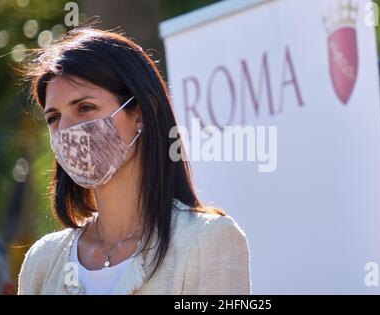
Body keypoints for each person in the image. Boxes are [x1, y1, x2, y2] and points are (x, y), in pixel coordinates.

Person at [17, 27, 251, 295]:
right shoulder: (43, 261)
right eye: (54, 118)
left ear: (141, 113)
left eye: (85, 108)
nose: (66, 131)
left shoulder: (206, 241)